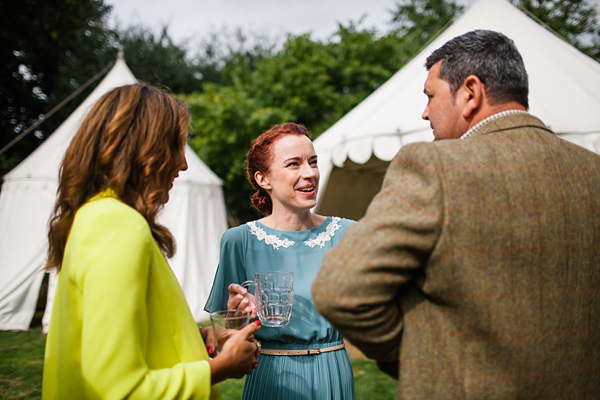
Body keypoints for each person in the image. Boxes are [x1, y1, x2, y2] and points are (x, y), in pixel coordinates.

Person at [312, 29, 600, 399]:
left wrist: (420, 359)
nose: (425, 111)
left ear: (470, 92)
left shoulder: (434, 166)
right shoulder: (593, 171)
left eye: (431, 96)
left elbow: (341, 291)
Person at [42, 83, 261, 400]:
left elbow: (123, 340)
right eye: (176, 146)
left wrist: (198, 338)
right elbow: (117, 388)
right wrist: (221, 367)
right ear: (146, 149)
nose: (183, 164)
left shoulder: (93, 216)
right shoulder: (116, 225)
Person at [204, 122, 356, 400]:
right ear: (264, 179)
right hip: (272, 377)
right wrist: (238, 317)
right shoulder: (239, 240)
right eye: (293, 164)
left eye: (313, 162)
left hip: (333, 370)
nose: (309, 173)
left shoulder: (349, 233)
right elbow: (223, 334)